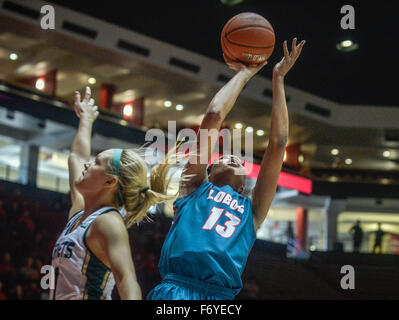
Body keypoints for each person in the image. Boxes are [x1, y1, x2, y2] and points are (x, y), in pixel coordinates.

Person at [148, 38, 306, 300]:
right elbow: (213, 115)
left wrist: (278, 79)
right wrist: (244, 74)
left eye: (238, 160)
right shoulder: (193, 187)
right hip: (176, 290)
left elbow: (278, 144)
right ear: (208, 172)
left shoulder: (252, 210)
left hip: (220, 298)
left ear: (244, 185)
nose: (233, 157)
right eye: (224, 156)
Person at [50, 87, 185, 300]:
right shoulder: (79, 212)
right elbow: (76, 156)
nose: (87, 165)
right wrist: (86, 120)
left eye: (95, 162)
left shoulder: (108, 222)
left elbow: (126, 280)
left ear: (110, 181)